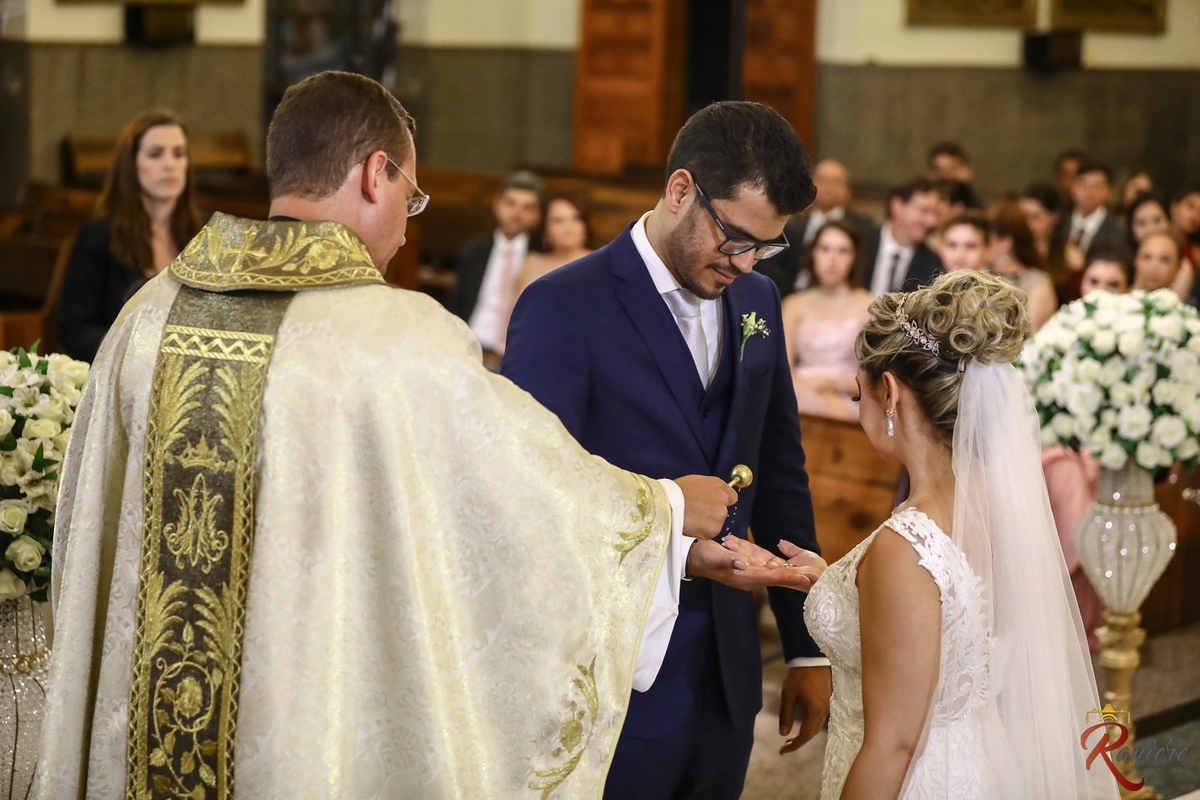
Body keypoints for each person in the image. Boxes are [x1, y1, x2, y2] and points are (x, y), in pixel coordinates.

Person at [34, 71, 818, 800]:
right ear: (376, 173)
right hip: (308, 713)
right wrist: (665, 510)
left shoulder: (147, 320)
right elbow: (513, 501)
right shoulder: (393, 339)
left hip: (152, 721)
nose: (407, 235)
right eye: (409, 200)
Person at [502, 101, 830, 800]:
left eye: (765, 247)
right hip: (611, 678)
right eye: (737, 237)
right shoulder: (564, 305)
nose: (745, 263)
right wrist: (676, 548)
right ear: (681, 190)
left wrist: (805, 645)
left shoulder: (759, 302)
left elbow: (778, 468)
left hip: (731, 675)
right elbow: (529, 497)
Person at [803, 270, 1117, 799]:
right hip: (982, 762)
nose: (857, 409)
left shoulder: (905, 546)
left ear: (890, 392)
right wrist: (835, 582)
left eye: (858, 393)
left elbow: (894, 744)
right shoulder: (998, 514)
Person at [57, 108, 203, 362]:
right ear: (131, 164)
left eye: (179, 153)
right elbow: (73, 327)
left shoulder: (204, 236)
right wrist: (127, 352)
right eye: (155, 154)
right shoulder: (98, 237)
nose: (170, 164)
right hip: (121, 374)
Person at [445, 169, 543, 358]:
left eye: (527, 207)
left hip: (516, 352)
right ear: (497, 205)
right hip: (470, 344)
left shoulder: (540, 256)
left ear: (537, 215)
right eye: (511, 203)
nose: (517, 212)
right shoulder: (474, 251)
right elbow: (457, 303)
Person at [782, 220, 872, 421]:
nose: (832, 259)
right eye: (825, 249)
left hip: (847, 399)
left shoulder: (870, 306)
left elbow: (872, 382)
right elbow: (783, 369)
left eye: (842, 251)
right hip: (799, 392)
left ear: (854, 257)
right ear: (813, 253)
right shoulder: (794, 304)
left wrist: (828, 383)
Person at [756, 159, 877, 296]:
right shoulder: (791, 227)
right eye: (822, 180)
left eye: (836, 182)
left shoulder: (864, 229)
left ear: (848, 191)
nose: (828, 187)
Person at [1053, 161, 1127, 303]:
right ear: (1073, 188)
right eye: (1083, 185)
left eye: (1097, 186)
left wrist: (1083, 265)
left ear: (1108, 192)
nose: (1089, 191)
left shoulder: (1119, 231)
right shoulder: (1058, 222)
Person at [862, 178, 943, 296]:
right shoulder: (861, 245)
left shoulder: (932, 262)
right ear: (897, 206)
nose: (931, 221)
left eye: (934, 213)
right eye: (924, 211)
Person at [987, 202, 1057, 330]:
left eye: (987, 239)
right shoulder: (981, 273)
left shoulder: (1037, 282)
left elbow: (1032, 332)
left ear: (1005, 242)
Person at [514, 193, 592, 297]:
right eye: (558, 221)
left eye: (575, 218)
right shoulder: (531, 263)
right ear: (545, 230)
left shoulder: (600, 263)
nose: (568, 226)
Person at [1126, 192, 1195, 298]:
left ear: (1169, 221)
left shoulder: (1183, 266)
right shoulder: (1123, 259)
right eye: (1142, 223)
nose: (1150, 229)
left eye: (1157, 220)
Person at [1018, 183, 1062, 266]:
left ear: (1054, 216)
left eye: (1035, 217)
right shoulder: (1013, 253)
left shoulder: (1069, 257)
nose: (1028, 223)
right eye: (1024, 217)